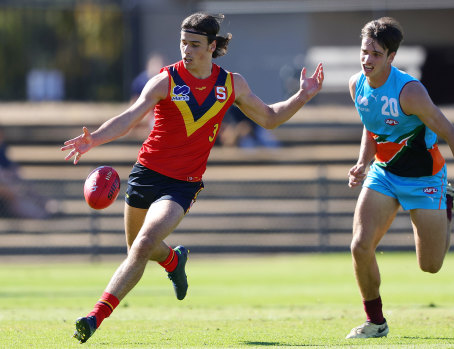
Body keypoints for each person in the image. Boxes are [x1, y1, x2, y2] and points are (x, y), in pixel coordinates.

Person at [61, 12, 324, 343]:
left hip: (182, 184)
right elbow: (130, 117)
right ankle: (174, 259)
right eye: (183, 42)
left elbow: (270, 118)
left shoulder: (231, 84)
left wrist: (303, 95)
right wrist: (94, 139)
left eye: (195, 44)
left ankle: (93, 317)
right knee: (137, 249)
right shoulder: (165, 80)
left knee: (142, 245)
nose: (186, 49)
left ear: (212, 47)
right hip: (146, 174)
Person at [345, 17, 454, 339]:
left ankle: (447, 201)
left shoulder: (410, 92)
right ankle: (376, 322)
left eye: (377, 54)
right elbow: (373, 124)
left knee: (430, 266)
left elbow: (452, 135)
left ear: (392, 57)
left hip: (424, 177)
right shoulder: (357, 84)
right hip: (384, 174)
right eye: (365, 51)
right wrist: (362, 162)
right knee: (360, 246)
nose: (368, 59)